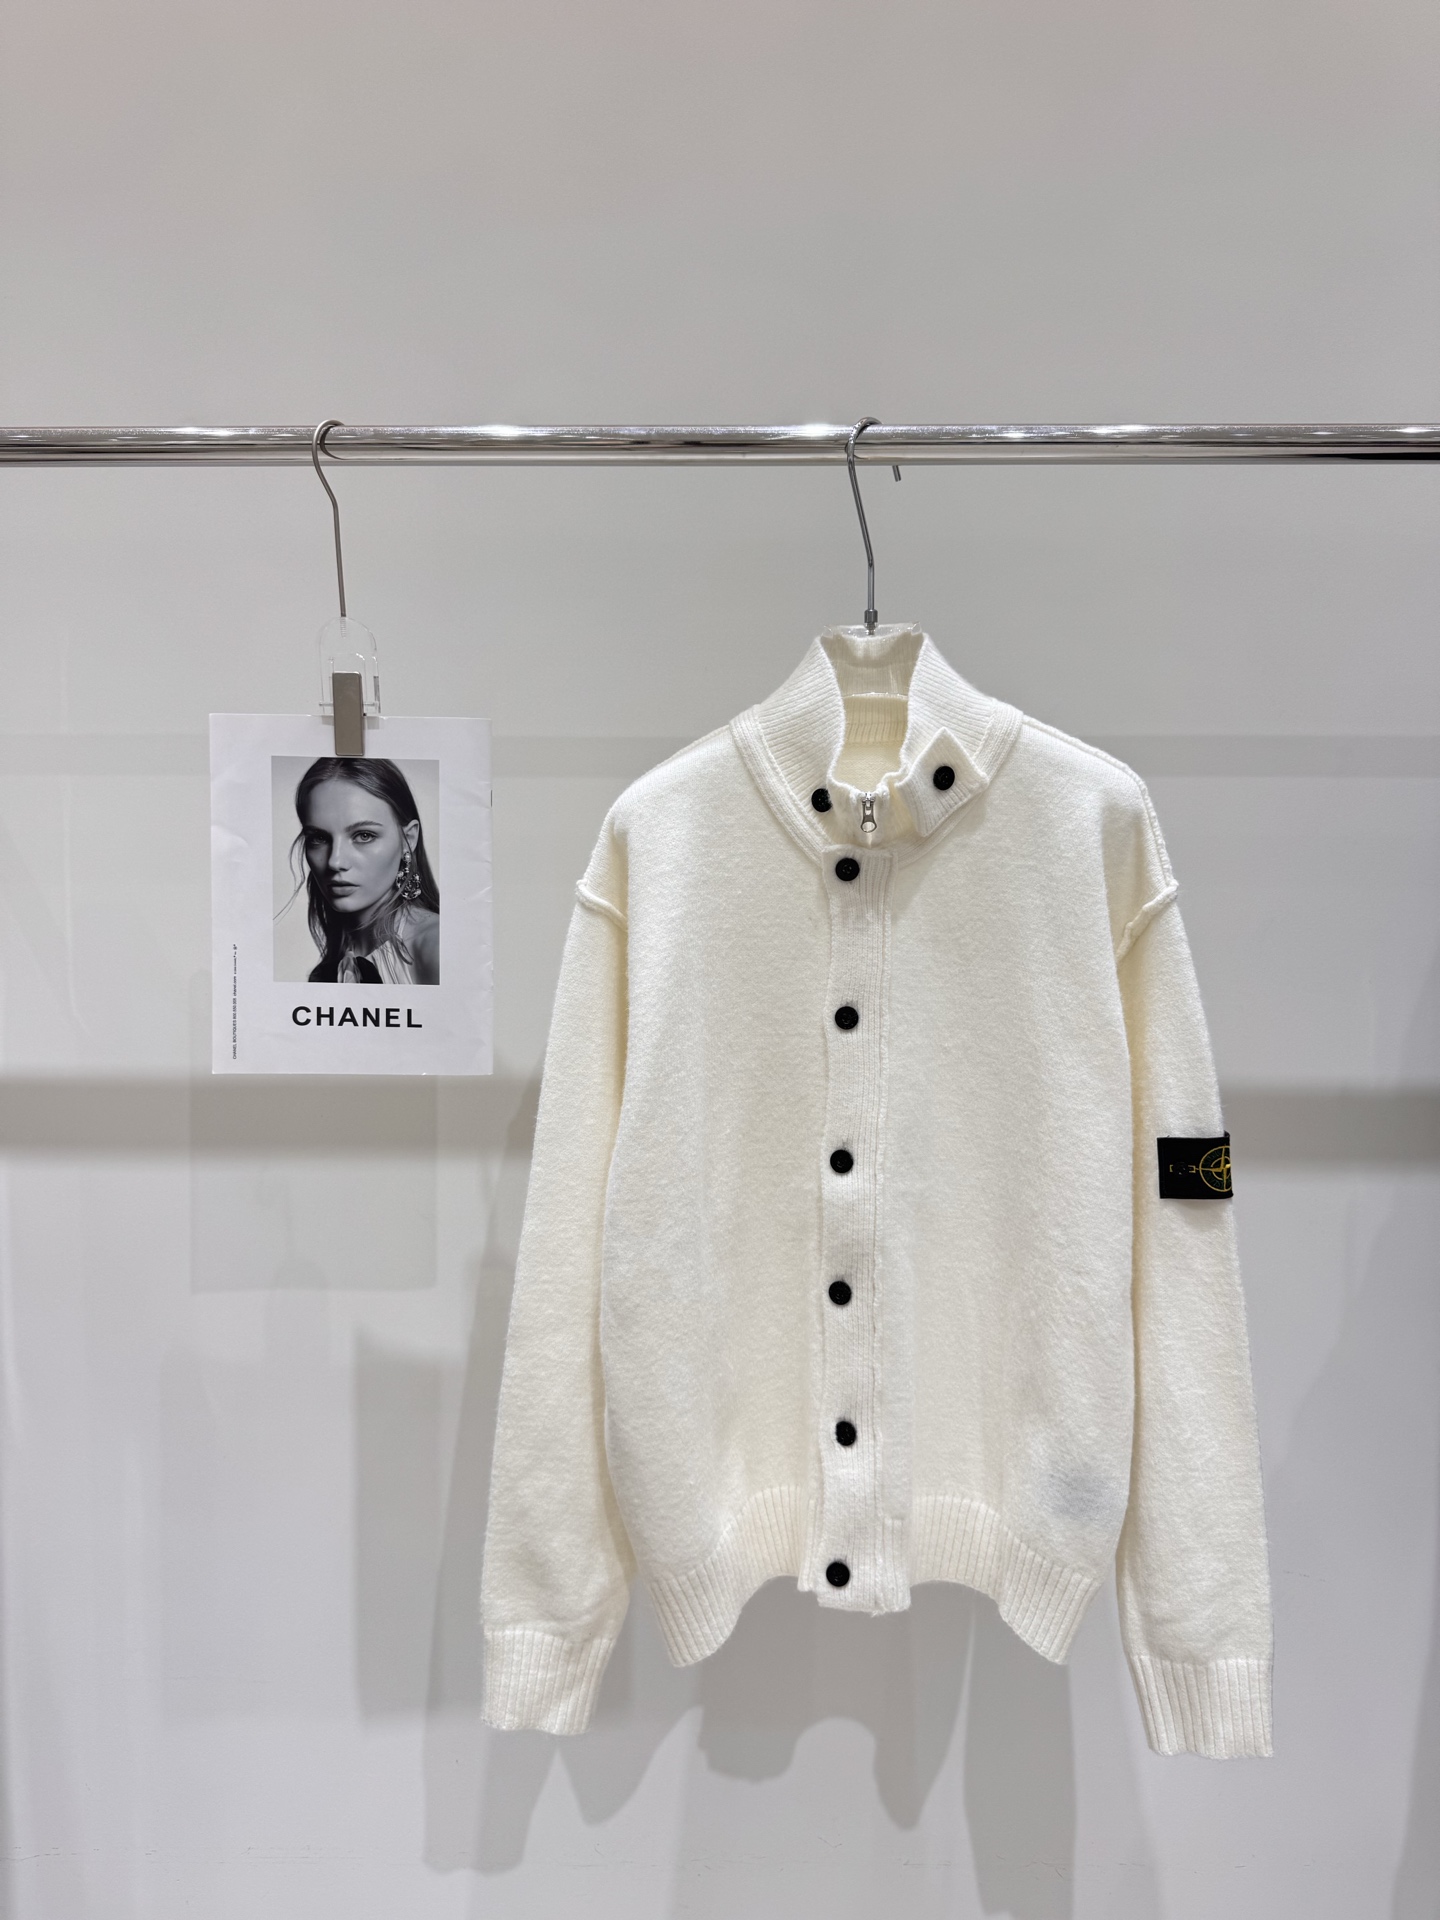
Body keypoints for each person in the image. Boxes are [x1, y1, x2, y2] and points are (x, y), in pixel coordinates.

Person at [288, 758, 440, 984]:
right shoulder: (330, 968)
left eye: (364, 835)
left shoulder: (437, 945)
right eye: (319, 838)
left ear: (408, 839)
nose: (335, 861)